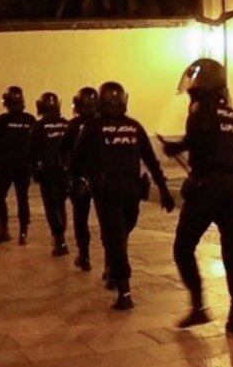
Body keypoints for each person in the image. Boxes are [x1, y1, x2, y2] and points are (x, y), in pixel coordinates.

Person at [165, 58, 233, 335]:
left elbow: (195, 140)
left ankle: (198, 307)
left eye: (197, 79)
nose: (193, 85)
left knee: (183, 247)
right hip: (232, 189)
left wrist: (173, 147)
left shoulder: (200, 109)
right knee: (232, 253)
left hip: (207, 187)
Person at [73, 81, 173, 311]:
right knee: (118, 236)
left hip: (116, 190)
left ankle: (113, 265)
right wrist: (164, 190)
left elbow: (77, 159)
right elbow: (152, 161)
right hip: (120, 190)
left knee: (118, 235)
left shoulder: (97, 126)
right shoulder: (129, 126)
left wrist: (77, 179)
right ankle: (124, 288)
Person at [0, 85, 37, 245]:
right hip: (24, 165)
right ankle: (23, 233)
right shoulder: (30, 120)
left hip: (4, 166)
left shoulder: (1, 120)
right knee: (23, 198)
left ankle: (4, 229)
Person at [31, 92, 73, 257]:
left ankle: (59, 238)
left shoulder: (39, 126)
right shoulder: (66, 124)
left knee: (51, 206)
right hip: (65, 172)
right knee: (61, 204)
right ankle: (60, 236)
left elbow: (31, 151)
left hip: (48, 172)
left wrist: (34, 170)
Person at [65, 86, 101, 271]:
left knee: (81, 220)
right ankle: (111, 264)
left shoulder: (73, 125)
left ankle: (85, 256)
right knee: (109, 223)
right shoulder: (105, 123)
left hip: (81, 179)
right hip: (103, 178)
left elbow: (67, 153)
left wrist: (71, 178)